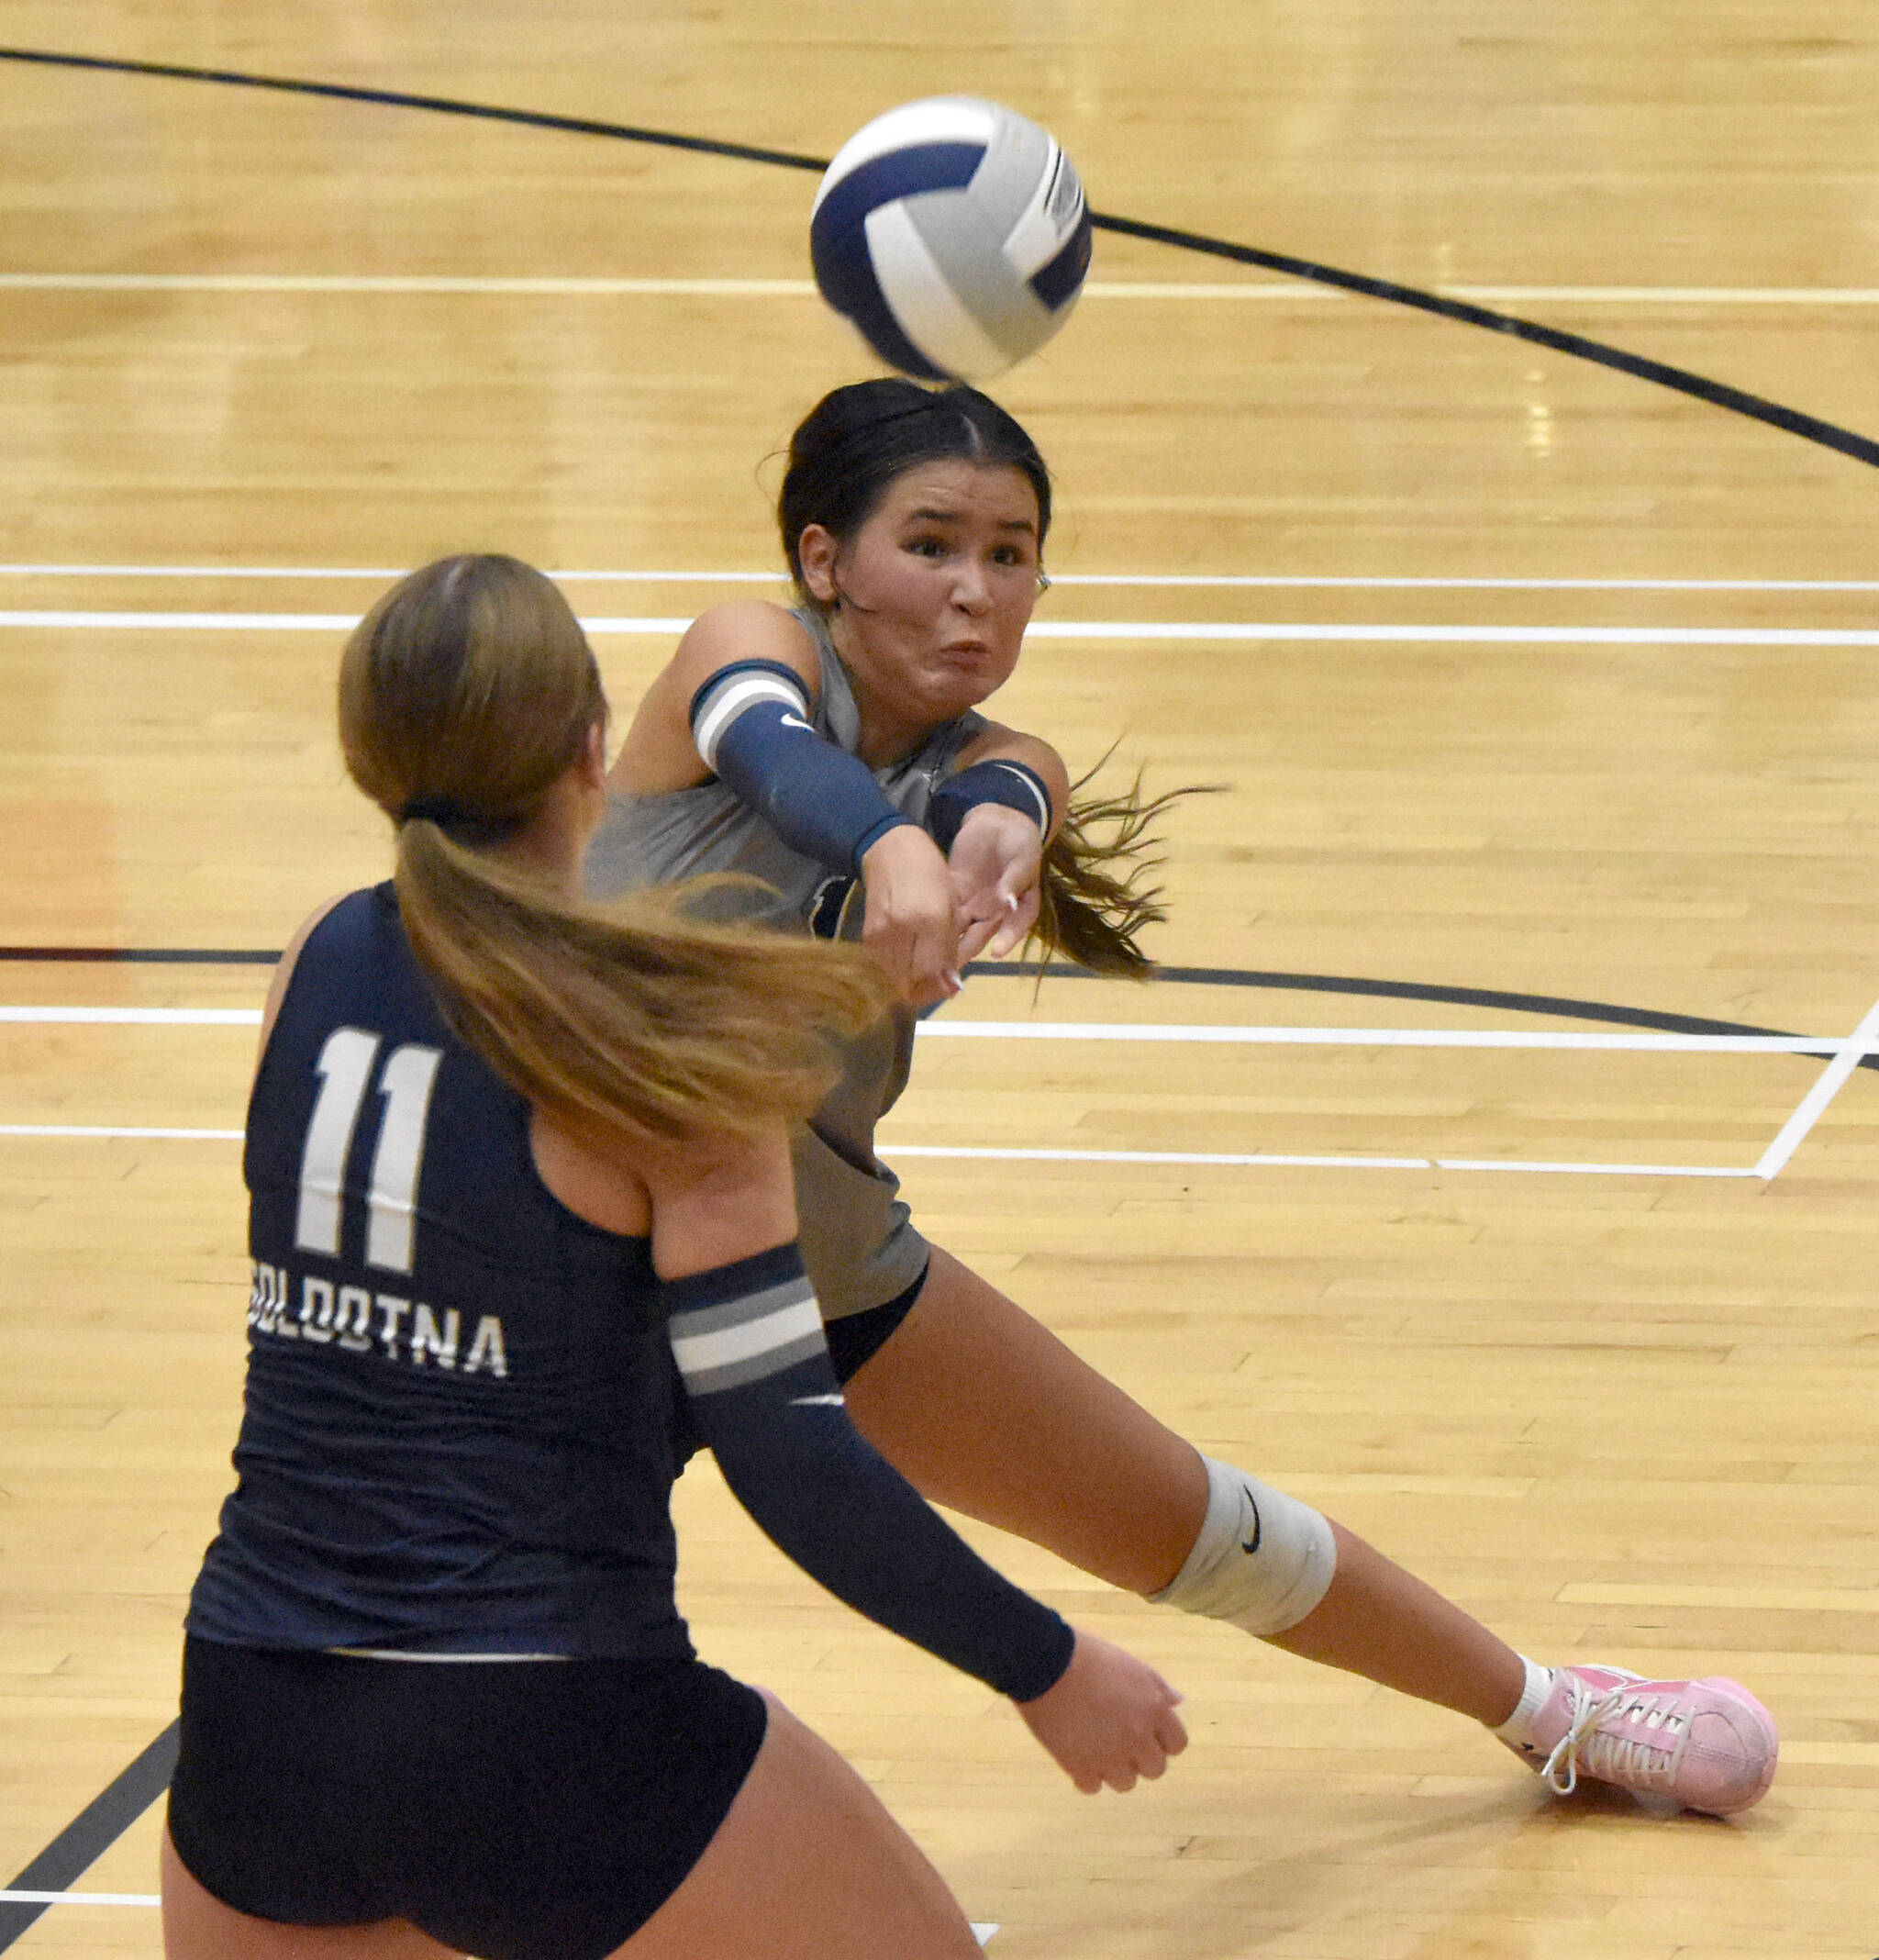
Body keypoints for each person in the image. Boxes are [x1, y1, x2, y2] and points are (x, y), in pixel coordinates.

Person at [587, 376, 1779, 1817]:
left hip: (814, 1250)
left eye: (1012, 555)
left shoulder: (999, 761)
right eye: (934, 545)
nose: (977, 593)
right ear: (826, 561)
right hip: (569, 1259)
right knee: (470, 1625)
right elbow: (767, 746)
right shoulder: (750, 650)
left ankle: (1554, 1713)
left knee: (1192, 1521)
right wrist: (886, 852)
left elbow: (1007, 800)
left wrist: (975, 844)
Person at [161, 553, 1190, 1960]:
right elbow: (791, 1460)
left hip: (253, 1725)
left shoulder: (313, 960)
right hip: (548, 1718)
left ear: (368, 757)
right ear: (594, 749)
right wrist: (1046, 1664)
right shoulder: (659, 1051)